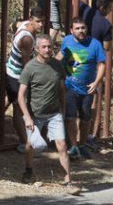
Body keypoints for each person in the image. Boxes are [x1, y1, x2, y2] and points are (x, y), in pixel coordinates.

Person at [18, 34, 77, 191]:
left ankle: (68, 180)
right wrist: (28, 118)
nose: (47, 49)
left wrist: (63, 111)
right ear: (36, 49)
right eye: (43, 47)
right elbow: (20, 96)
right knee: (31, 145)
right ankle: (29, 171)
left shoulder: (58, 66)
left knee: (62, 144)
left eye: (50, 46)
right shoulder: (30, 68)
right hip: (34, 114)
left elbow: (61, 89)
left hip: (54, 113)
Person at [57, 17, 106, 161]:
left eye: (83, 28)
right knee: (70, 118)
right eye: (77, 28)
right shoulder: (66, 40)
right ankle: (73, 147)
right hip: (69, 86)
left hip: (87, 89)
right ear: (71, 30)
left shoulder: (95, 44)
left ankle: (82, 145)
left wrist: (96, 82)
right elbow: (61, 55)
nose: (81, 31)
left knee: (85, 118)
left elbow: (102, 64)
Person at [5, 7, 45, 150]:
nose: (40, 25)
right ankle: (23, 143)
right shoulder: (27, 38)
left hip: (11, 68)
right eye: (38, 21)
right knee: (18, 107)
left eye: (42, 21)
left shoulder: (23, 24)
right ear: (31, 20)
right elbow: (26, 64)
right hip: (16, 75)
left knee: (12, 99)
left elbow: (15, 24)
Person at [80, 0, 113, 148]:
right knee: (93, 98)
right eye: (110, 7)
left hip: (76, 58)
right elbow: (106, 47)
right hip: (92, 65)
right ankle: (88, 134)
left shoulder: (84, 10)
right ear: (102, 8)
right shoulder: (106, 25)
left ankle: (74, 134)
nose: (111, 10)